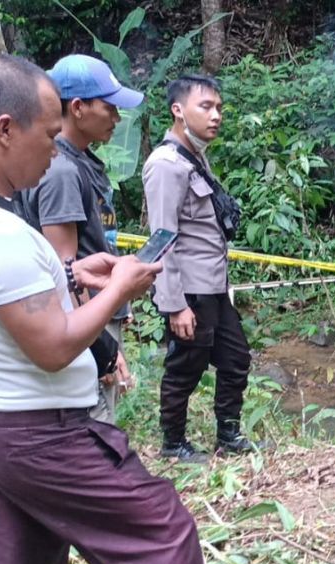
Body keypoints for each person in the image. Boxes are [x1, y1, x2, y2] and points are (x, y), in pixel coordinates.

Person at [0, 55, 252, 564]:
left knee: (25, 546)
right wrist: (118, 291)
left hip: (12, 432)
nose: (52, 152)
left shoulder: (5, 224)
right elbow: (50, 345)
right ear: (3, 131)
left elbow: (23, 294)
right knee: (158, 527)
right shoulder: (4, 235)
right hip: (42, 428)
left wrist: (78, 271)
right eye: (45, 135)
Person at [17, 54, 141, 423]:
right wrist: (99, 346)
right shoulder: (62, 173)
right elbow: (66, 270)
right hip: (85, 324)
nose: (117, 119)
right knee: (97, 423)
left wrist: (120, 305)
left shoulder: (77, 164)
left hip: (97, 313)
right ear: (78, 107)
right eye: (109, 108)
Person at [143, 74, 254, 462]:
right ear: (178, 110)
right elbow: (162, 240)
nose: (216, 115)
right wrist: (174, 305)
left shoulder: (195, 156)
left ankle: (228, 435)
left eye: (219, 107)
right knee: (185, 368)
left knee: (236, 357)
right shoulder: (166, 165)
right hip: (188, 289)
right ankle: (173, 444)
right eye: (205, 106)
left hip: (213, 286)